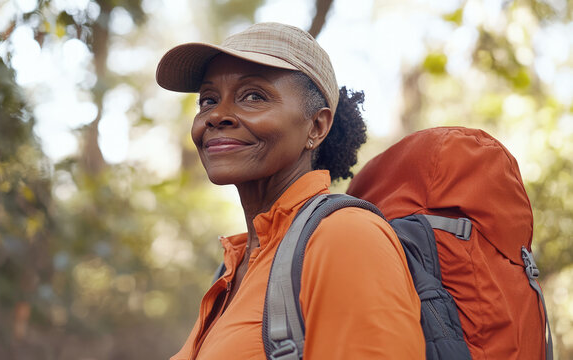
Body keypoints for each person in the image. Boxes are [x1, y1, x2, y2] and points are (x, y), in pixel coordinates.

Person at [156, 22, 424, 359]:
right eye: (208, 100)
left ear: (316, 126)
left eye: (254, 96)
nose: (216, 116)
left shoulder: (344, 237)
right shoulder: (237, 264)